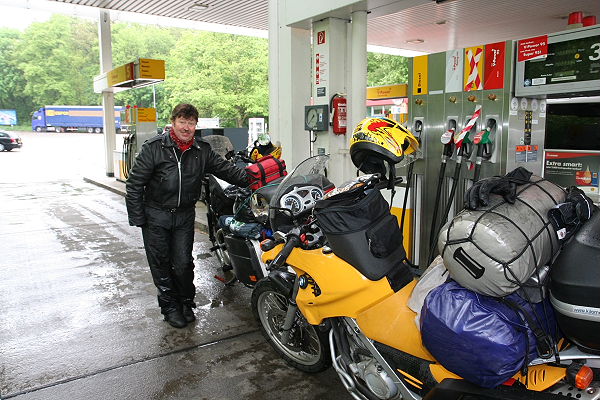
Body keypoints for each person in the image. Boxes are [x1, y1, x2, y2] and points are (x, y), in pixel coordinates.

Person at [126, 103, 248, 328]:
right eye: (182, 122)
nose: (186, 127)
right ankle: (170, 308)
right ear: (173, 122)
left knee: (183, 263)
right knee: (161, 264)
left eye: (191, 123)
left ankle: (185, 302)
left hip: (184, 215)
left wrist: (256, 177)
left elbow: (226, 170)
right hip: (156, 215)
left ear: (195, 125)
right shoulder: (154, 148)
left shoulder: (202, 150)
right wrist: (138, 218)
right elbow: (134, 184)